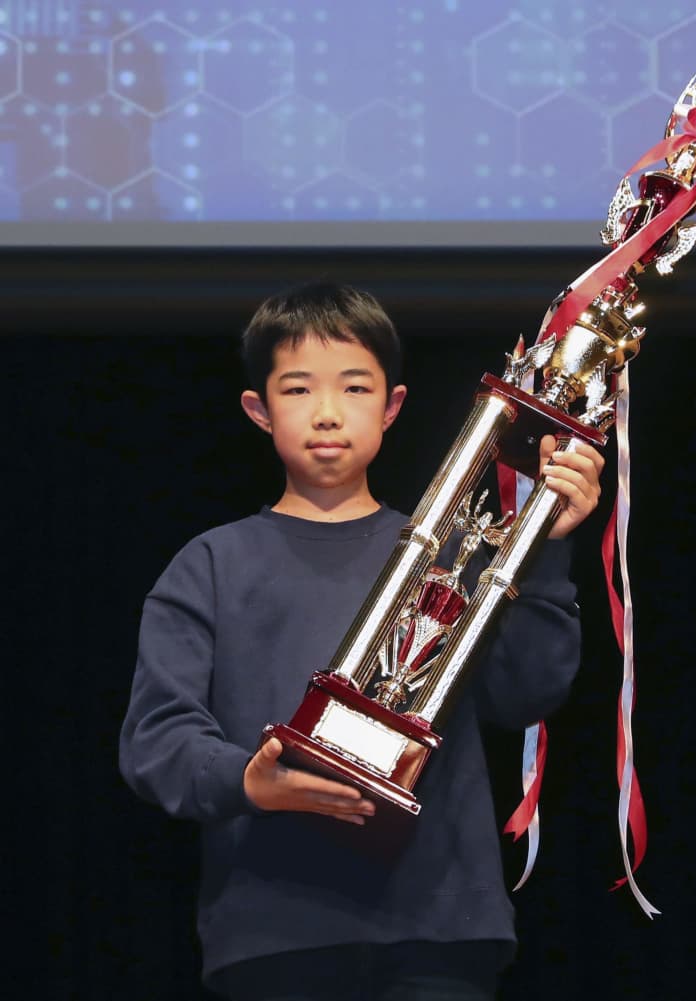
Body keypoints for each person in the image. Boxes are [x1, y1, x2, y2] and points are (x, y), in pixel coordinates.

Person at [119, 283, 604, 1001]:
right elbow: (157, 739)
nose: (326, 412)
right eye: (297, 388)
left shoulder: (452, 556)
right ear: (259, 410)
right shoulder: (212, 565)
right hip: (274, 933)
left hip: (439, 927)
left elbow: (526, 692)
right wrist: (247, 778)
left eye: (354, 387)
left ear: (393, 405)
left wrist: (546, 548)